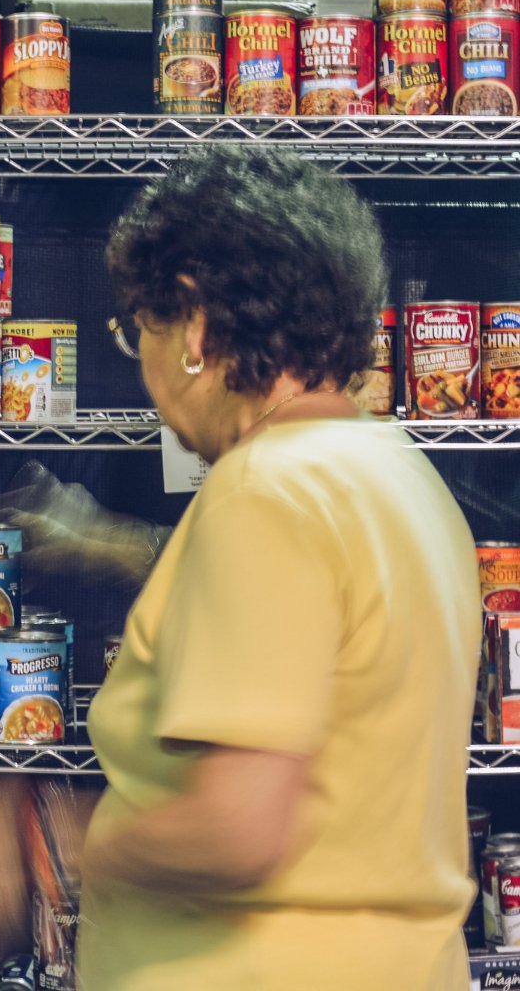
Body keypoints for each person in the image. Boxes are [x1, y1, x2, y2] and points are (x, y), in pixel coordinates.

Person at [76, 146, 482, 991]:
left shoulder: (264, 489)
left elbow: (240, 827)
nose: (142, 365)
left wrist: (69, 843)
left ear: (193, 326)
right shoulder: (403, 475)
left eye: (136, 329)